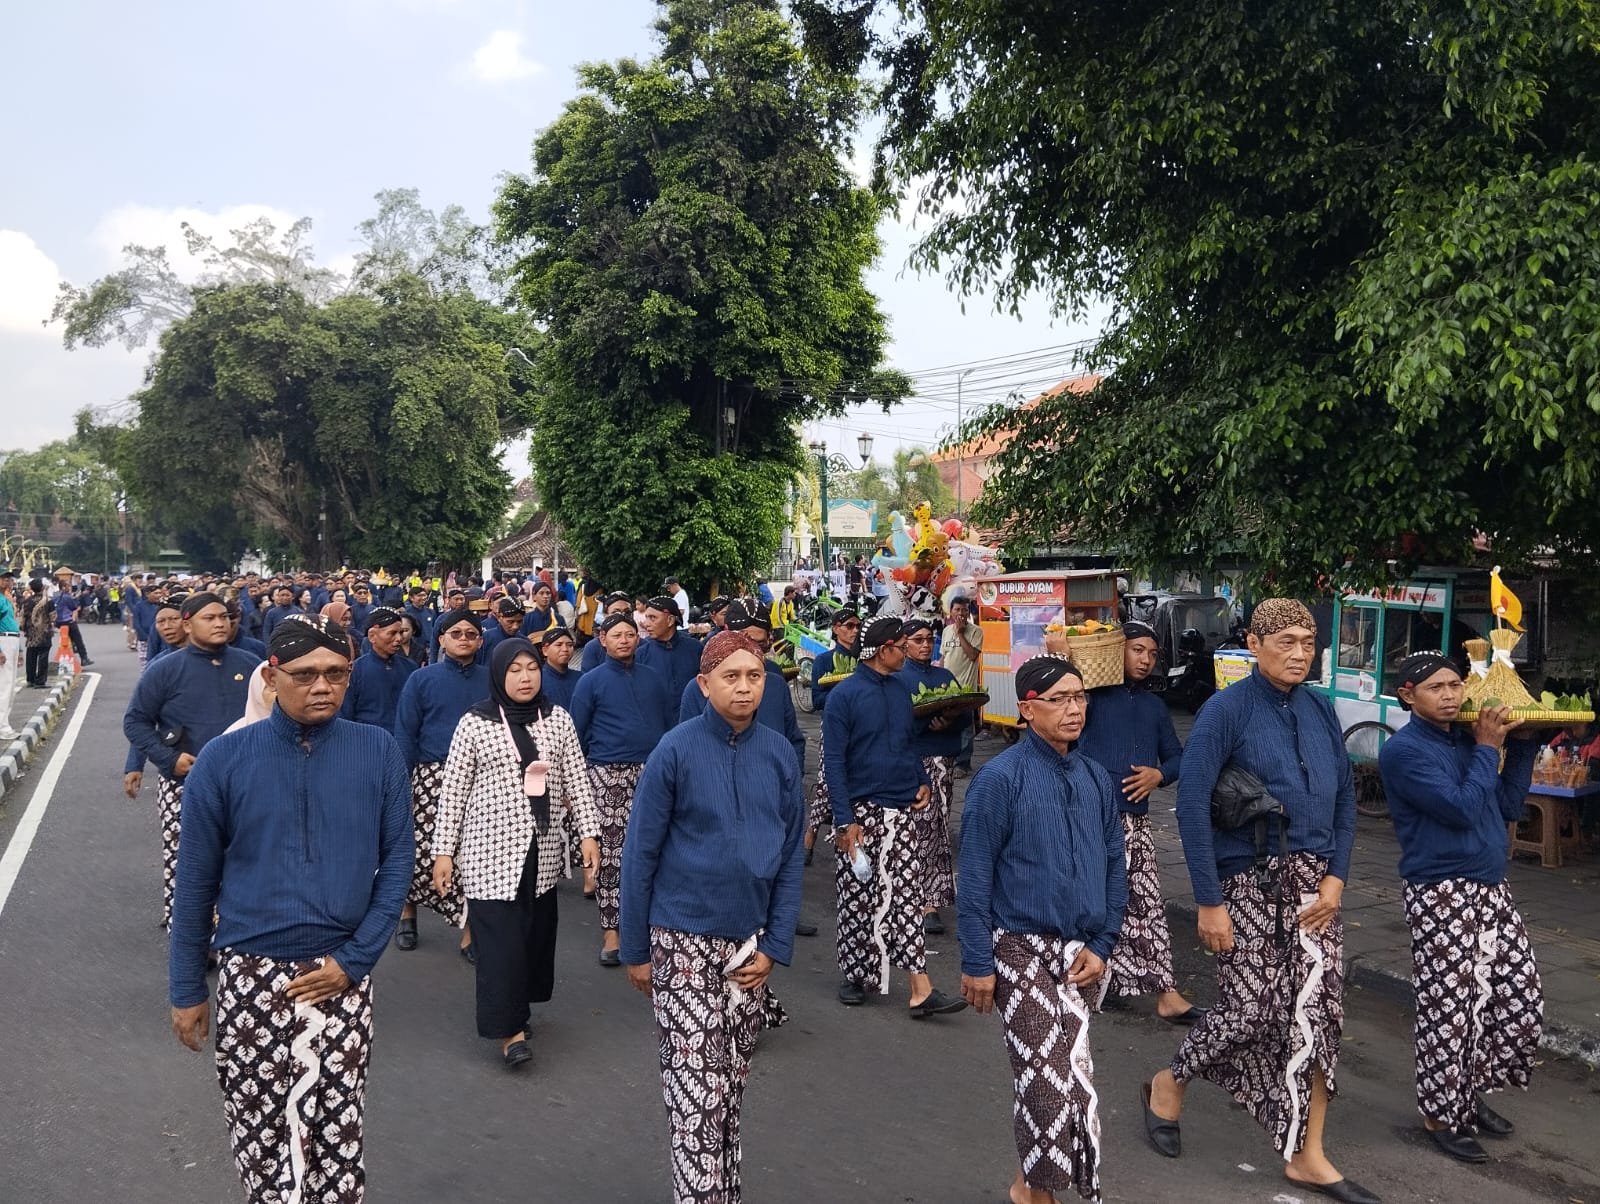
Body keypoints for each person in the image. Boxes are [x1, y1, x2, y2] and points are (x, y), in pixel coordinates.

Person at [168, 614, 414, 1204]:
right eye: (304, 675)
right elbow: (195, 883)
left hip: (341, 976)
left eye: (335, 673)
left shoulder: (378, 751)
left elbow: (398, 862)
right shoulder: (223, 760)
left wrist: (355, 961)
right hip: (251, 975)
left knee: (336, 1136)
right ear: (272, 677)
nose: (321, 686)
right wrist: (185, 987)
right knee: (260, 1134)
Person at [1144, 599, 1376, 1204]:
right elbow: (1191, 807)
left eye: (1309, 641)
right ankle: (1170, 1081)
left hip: (1316, 889)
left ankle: (1309, 1155)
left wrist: (1336, 881)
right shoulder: (1225, 711)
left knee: (1319, 1017)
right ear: (1254, 642)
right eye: (1287, 641)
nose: (1301, 652)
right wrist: (1208, 901)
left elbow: (1346, 805)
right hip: (1247, 880)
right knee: (1250, 1010)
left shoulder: (1322, 709)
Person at [621, 630, 805, 1204]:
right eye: (731, 677)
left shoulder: (778, 754)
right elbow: (640, 852)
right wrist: (635, 948)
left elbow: (791, 855)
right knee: (695, 1087)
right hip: (680, 937)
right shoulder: (674, 751)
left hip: (749, 946)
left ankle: (722, 1192)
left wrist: (775, 944)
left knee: (729, 1085)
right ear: (704, 685)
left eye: (754, 677)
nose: (745, 688)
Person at [959, 655, 1127, 1204]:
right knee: (1044, 1083)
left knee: (1077, 1085)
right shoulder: (999, 779)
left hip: (1079, 951)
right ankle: (1040, 1195)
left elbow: (1114, 863)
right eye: (1059, 700)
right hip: (1015, 947)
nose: (1074, 709)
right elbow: (976, 872)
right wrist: (978, 962)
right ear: (1027, 709)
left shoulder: (1096, 777)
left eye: (1080, 698)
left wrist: (1103, 945)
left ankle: (1027, 1187)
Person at [1377, 652, 1542, 1164]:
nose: (1449, 696)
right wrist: (1487, 748)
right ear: (1408, 695)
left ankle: (1466, 1095)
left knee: (1516, 999)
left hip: (1490, 886)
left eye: (1454, 686)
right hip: (1441, 891)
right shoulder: (1404, 751)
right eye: (1435, 688)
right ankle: (1442, 1112)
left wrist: (1521, 749)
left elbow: (1508, 807)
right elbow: (1461, 807)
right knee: (1451, 1009)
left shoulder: (1464, 741)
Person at [432, 637, 601, 1068]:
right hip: (488, 851)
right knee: (501, 943)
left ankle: (517, 1006)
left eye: (531, 668)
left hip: (542, 852)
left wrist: (588, 835)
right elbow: (453, 790)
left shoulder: (557, 720)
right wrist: (443, 853)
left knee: (532, 939)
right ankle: (508, 1031)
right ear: (498, 674)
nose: (525, 677)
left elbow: (577, 780)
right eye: (514, 669)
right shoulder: (476, 723)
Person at [824, 615, 966, 1018]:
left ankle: (920, 988)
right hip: (860, 815)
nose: (909, 653)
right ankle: (855, 974)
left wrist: (921, 781)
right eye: (903, 647)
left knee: (906, 895)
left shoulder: (901, 692)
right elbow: (833, 762)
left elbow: (908, 745)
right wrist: (843, 820)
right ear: (884, 649)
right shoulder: (845, 696)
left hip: (902, 808)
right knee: (859, 895)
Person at [1073, 620, 1200, 1023]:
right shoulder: (1088, 698)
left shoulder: (1153, 707)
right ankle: (1084, 980)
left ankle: (1166, 993)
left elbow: (1178, 757)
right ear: (1115, 651)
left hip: (1135, 824)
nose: (1145, 660)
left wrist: (1158, 775)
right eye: (1136, 650)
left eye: (1151, 653)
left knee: (1145, 904)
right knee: (1089, 904)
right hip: (1086, 821)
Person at [122, 593, 258, 927]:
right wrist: (168, 760)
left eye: (224, 617)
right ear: (188, 624)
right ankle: (189, 934)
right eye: (209, 618)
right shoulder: (164, 669)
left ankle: (235, 931)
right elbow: (136, 721)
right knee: (187, 863)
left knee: (245, 861)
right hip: (185, 784)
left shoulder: (251, 664)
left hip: (246, 784)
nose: (219, 623)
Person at [569, 612, 673, 964]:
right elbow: (575, 737)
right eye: (617, 635)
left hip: (653, 772)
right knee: (611, 857)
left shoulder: (655, 679)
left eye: (631, 633)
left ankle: (650, 929)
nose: (625, 640)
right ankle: (611, 933)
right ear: (603, 639)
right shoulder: (591, 681)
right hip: (606, 774)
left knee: (656, 849)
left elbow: (670, 725)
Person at [392, 607, 488, 957]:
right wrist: (401, 781)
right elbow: (406, 732)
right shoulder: (421, 679)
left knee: (473, 854)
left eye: (471, 634)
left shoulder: (492, 678)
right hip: (433, 775)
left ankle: (469, 931)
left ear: (480, 640)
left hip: (481, 778)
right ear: (442, 639)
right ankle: (407, 913)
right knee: (422, 853)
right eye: (456, 633)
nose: (464, 639)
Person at [894, 618, 960, 935]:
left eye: (929, 639)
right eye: (918, 639)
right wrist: (926, 722)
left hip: (944, 760)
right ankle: (921, 900)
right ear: (904, 643)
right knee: (919, 828)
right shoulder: (898, 679)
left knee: (939, 828)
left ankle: (932, 895)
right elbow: (898, 726)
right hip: (914, 762)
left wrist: (949, 720)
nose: (925, 644)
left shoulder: (945, 676)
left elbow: (966, 716)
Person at [805, 609, 862, 862]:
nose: (854, 631)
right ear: (836, 628)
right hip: (834, 732)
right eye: (849, 626)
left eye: (857, 626)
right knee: (827, 786)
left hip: (860, 732)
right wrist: (843, 692)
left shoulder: (863, 660)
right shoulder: (824, 661)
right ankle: (809, 837)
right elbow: (816, 699)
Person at [341, 607, 418, 733]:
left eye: (401, 632)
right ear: (372, 636)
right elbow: (345, 715)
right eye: (392, 633)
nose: (399, 638)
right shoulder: (355, 671)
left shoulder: (410, 668)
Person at [940, 595, 983, 772]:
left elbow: (972, 655)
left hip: (966, 688)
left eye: (964, 610)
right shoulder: (946, 631)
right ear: (951, 612)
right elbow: (944, 656)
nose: (961, 613)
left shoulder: (976, 631)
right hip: (948, 688)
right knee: (948, 724)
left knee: (966, 727)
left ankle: (963, 764)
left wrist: (960, 633)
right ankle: (950, 759)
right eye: (957, 609)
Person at [635, 595, 703, 701]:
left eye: (653, 618)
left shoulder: (695, 649)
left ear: (670, 620)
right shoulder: (641, 654)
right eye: (646, 617)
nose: (647, 624)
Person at [537, 627, 582, 711]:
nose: (565, 649)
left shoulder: (581, 678)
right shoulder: (537, 680)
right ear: (545, 650)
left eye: (569, 645)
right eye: (558, 645)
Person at [25, 579, 56, 689]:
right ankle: (40, 681)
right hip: (44, 633)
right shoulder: (48, 601)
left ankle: (30, 679)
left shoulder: (27, 601)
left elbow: (23, 618)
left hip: (31, 634)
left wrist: (26, 630)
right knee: (43, 656)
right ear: (42, 588)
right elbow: (53, 616)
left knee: (31, 656)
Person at [0, 569, 19, 739]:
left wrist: (19, 650)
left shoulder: (6, 599)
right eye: (4, 578)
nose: (8, 582)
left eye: (9, 579)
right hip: (3, 641)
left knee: (11, 686)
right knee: (4, 685)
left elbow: (12, 622)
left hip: (12, 640)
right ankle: (2, 726)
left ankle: (5, 723)